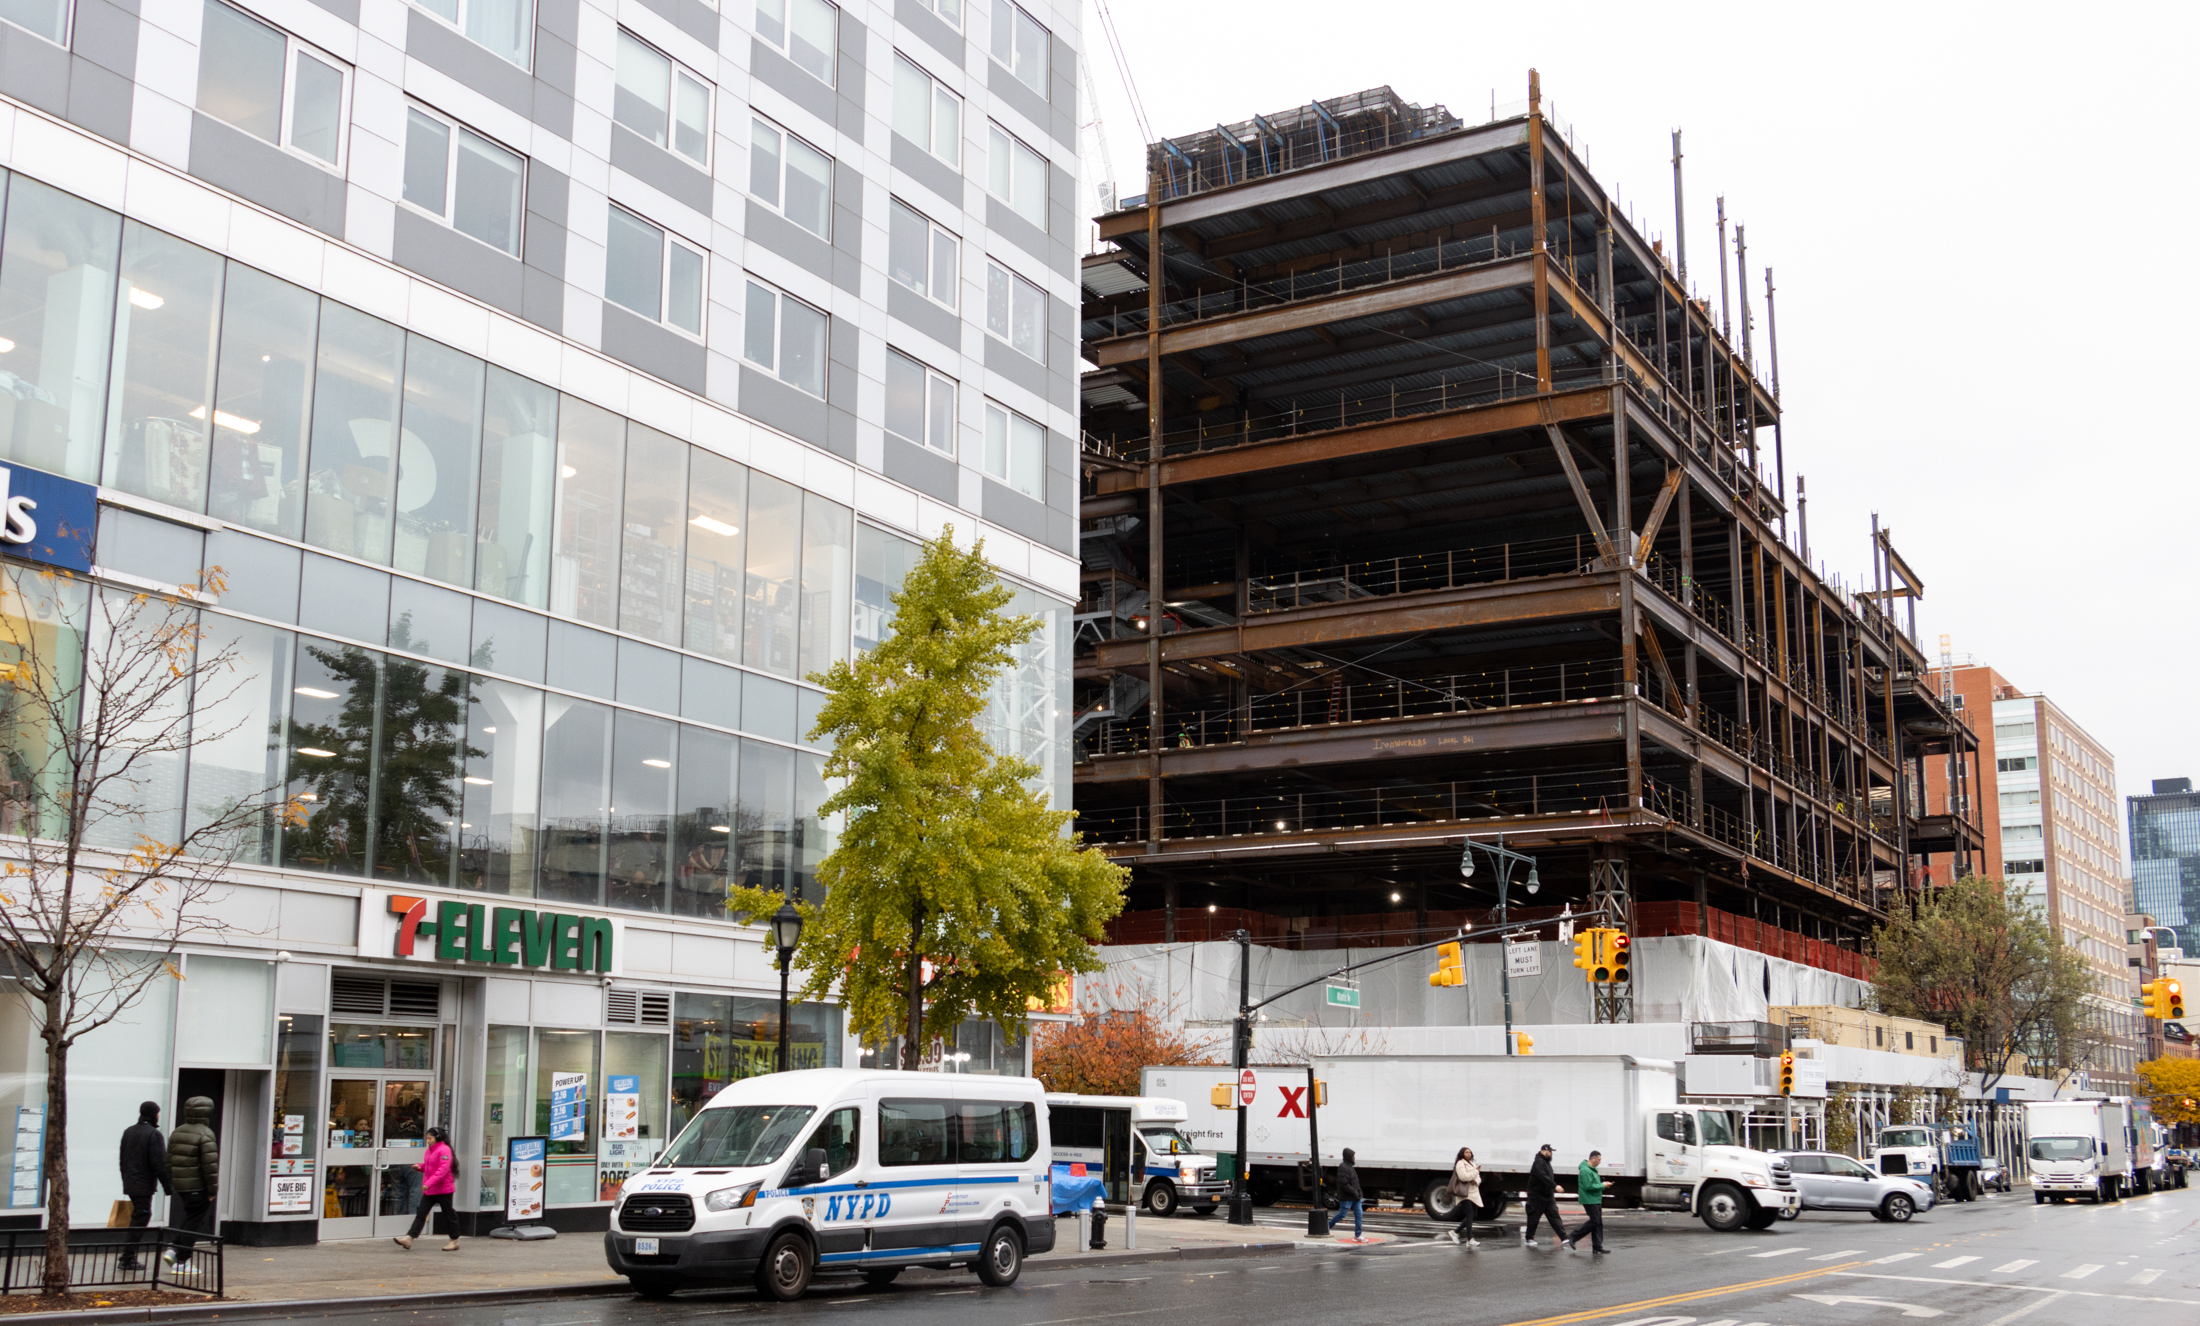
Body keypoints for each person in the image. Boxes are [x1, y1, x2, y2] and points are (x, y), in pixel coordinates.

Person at [163, 1096, 219, 1270]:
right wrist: (212, 1190)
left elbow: (169, 1160)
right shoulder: (206, 1134)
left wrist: (174, 1182)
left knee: (189, 1218)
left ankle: (174, 1250)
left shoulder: (177, 1131)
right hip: (198, 1187)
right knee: (193, 1223)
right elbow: (210, 1166)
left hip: (182, 1187)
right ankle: (182, 1260)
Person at [116, 1101, 171, 1273]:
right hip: (143, 1184)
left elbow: (122, 1159)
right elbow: (159, 1163)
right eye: (158, 1113)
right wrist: (168, 1186)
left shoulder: (129, 1131)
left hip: (131, 1182)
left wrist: (126, 1179)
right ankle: (127, 1258)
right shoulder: (153, 1134)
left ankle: (128, 1257)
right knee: (141, 1218)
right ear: (154, 1114)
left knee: (139, 1216)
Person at [394, 1126, 459, 1252]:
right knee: (421, 1214)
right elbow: (431, 1167)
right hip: (431, 1189)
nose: (428, 1141)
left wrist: (428, 1183)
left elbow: (442, 1170)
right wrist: (420, 1166)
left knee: (448, 1214)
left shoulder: (444, 1150)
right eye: (427, 1138)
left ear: (438, 1138)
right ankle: (409, 1237)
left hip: (443, 1189)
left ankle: (454, 1240)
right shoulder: (430, 1150)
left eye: (430, 1138)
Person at [1565, 1151, 1607, 1253]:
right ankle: (1573, 1236)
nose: (1600, 1162)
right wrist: (1603, 1185)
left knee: (1598, 1223)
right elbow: (1588, 1187)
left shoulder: (1592, 1170)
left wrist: (1602, 1184)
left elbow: (1593, 1184)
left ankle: (1597, 1246)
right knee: (1594, 1221)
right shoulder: (1585, 1171)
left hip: (1595, 1199)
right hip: (1589, 1200)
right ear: (1593, 1158)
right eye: (1599, 1160)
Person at [1523, 1143, 1565, 1247]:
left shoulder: (1546, 1162)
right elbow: (1543, 1177)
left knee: (1554, 1216)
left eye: (1551, 1152)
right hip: (1537, 1196)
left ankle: (1564, 1238)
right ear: (1543, 1151)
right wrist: (1554, 1186)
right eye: (1549, 1151)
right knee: (1534, 1217)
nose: (1551, 1154)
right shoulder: (1538, 1162)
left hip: (1548, 1196)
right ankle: (1529, 1238)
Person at [1443, 1146, 1482, 1248]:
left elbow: (1478, 1177)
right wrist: (1475, 1172)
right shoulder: (1460, 1163)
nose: (1468, 1154)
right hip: (1464, 1192)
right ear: (1462, 1154)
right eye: (1466, 1152)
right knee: (1470, 1214)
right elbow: (1463, 1177)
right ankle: (1470, 1239)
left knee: (1473, 1215)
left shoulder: (1472, 1163)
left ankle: (1455, 1232)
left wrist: (1476, 1180)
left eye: (1470, 1152)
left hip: (1473, 1192)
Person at [1325, 1147, 1365, 1241]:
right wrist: (1355, 1192)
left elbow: (1355, 1182)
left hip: (1355, 1197)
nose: (1354, 1158)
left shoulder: (1350, 1167)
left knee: (1359, 1214)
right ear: (1348, 1157)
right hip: (1347, 1197)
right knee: (1342, 1214)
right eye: (1352, 1156)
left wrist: (1358, 1193)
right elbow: (1344, 1183)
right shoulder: (1343, 1167)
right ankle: (1327, 1226)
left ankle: (1358, 1235)